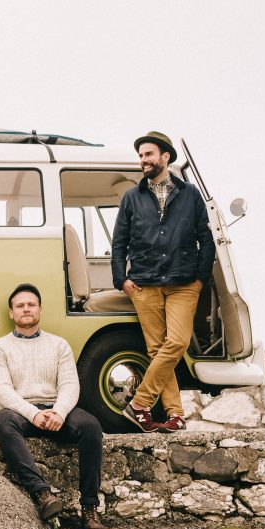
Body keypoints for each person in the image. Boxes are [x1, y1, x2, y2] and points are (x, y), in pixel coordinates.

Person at [111, 131, 215, 433]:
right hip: (144, 283)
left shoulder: (190, 193)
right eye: (141, 155)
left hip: (183, 282)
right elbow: (120, 242)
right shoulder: (132, 197)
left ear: (165, 156)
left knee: (177, 342)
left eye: (148, 154)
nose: (143, 160)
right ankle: (175, 414)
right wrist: (122, 279)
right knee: (158, 351)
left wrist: (200, 278)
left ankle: (140, 403)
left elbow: (205, 238)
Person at [0, 283, 106, 529]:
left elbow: (70, 384)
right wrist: (33, 413)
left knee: (90, 425)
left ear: (40, 309)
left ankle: (89, 509)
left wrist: (60, 412)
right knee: (2, 422)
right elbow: (2, 391)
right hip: (22, 413)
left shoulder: (59, 344)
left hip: (57, 410)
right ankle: (42, 494)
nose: (26, 309)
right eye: (20, 306)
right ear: (11, 313)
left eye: (31, 304)